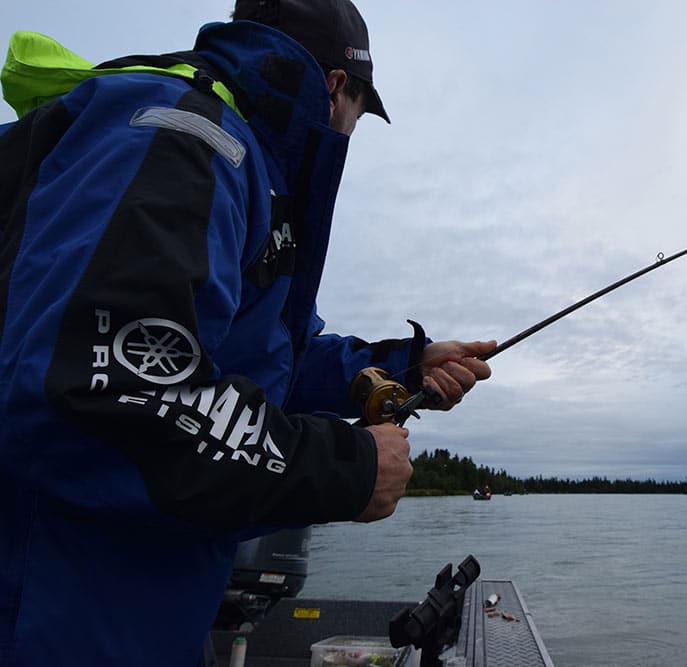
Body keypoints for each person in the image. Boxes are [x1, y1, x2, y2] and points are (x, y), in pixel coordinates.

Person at [0, 1, 495, 664]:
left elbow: (265, 357)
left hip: (132, 611)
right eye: (357, 112)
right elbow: (106, 398)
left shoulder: (240, 165)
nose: (351, 131)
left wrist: (406, 364)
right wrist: (347, 468)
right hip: (52, 619)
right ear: (335, 87)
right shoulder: (182, 139)